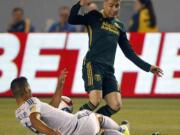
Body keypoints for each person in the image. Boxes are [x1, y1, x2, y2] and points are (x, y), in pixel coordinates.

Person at [68, 0, 163, 117]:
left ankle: (93, 124)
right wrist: (81, 3)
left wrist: (148, 67)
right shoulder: (94, 16)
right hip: (93, 65)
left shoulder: (119, 26)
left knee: (116, 105)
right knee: (95, 101)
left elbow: (129, 53)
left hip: (108, 70)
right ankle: (72, 124)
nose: (114, 9)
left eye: (117, 6)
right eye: (111, 5)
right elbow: (71, 19)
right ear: (104, 4)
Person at [11, 69, 130, 135]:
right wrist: (51, 133)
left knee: (99, 131)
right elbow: (34, 119)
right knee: (95, 117)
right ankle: (122, 130)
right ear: (26, 89)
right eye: (29, 87)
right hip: (78, 125)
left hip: (70, 133)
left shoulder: (18, 114)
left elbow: (51, 108)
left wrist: (59, 86)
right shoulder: (32, 101)